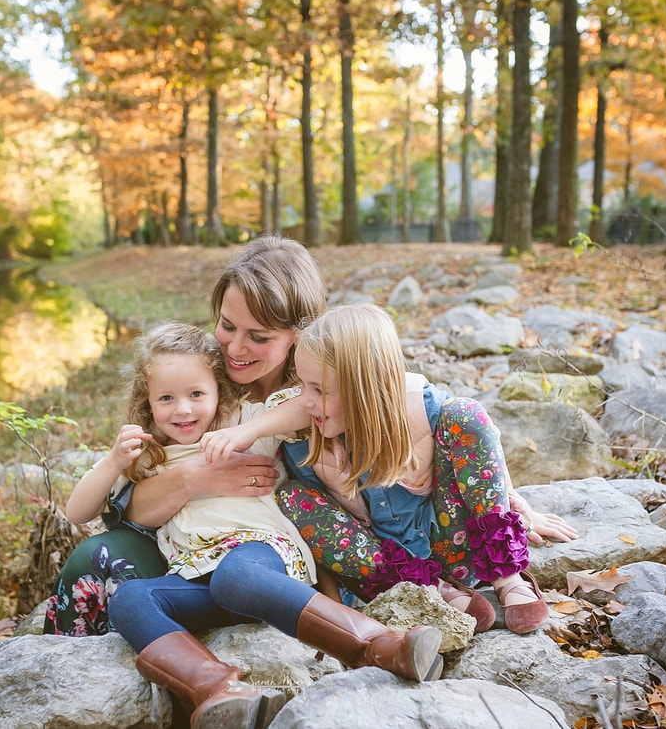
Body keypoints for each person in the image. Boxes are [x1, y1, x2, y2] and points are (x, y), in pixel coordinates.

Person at [46, 235, 575, 636]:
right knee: (93, 560)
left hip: (289, 549)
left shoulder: (331, 386)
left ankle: (491, 582)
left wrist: (510, 500)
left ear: (302, 334)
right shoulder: (203, 385)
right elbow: (131, 497)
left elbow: (437, 425)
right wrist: (193, 477)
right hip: (200, 535)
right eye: (226, 324)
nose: (233, 347)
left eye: (259, 336)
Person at [83, 322, 442, 729]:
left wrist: (247, 429)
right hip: (200, 575)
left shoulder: (239, 423)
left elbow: (299, 409)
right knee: (130, 598)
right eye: (167, 398)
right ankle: (217, 690)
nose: (183, 409)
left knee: (235, 576)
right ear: (148, 403)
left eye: (197, 394)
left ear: (219, 391)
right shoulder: (148, 456)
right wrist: (114, 461)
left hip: (261, 559)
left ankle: (377, 645)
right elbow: (78, 511)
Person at [202, 304, 553, 634]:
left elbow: (478, 444)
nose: (305, 400)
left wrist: (508, 499)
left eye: (318, 390)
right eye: (302, 386)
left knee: (465, 414)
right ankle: (434, 592)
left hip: (456, 544)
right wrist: (248, 430)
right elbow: (295, 415)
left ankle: (508, 576)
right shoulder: (308, 436)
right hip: (392, 569)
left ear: (364, 391)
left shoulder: (419, 409)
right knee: (294, 497)